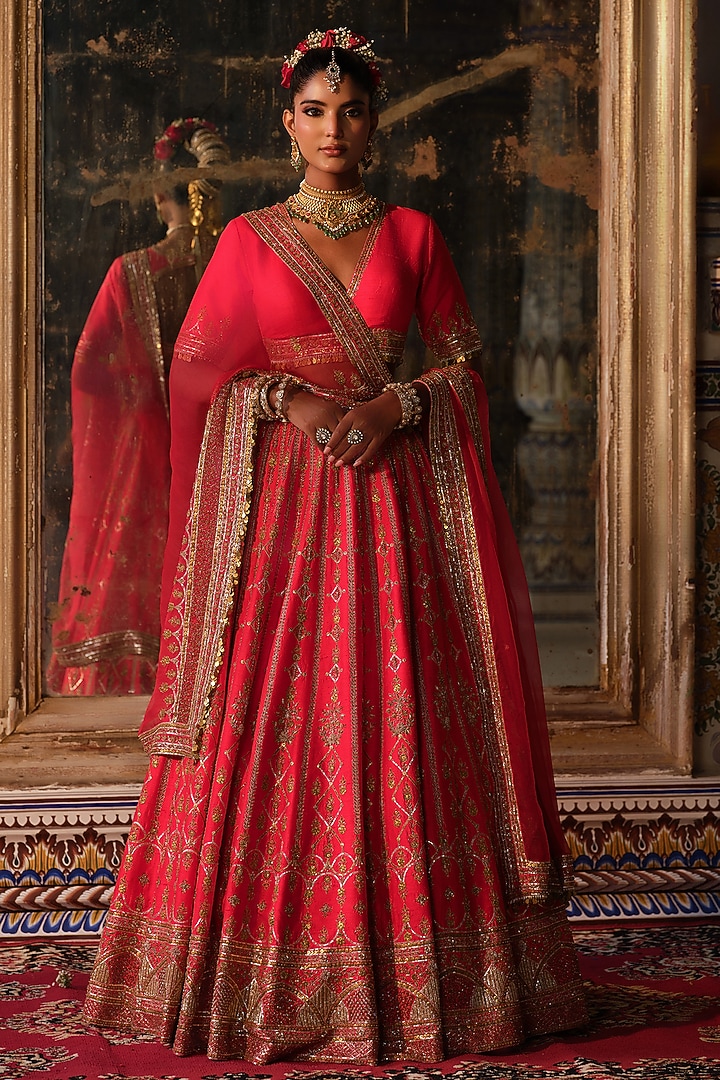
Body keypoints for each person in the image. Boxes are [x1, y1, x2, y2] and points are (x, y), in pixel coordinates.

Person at [84, 28, 587, 1063]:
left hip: (395, 513)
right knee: (270, 719)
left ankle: (426, 978)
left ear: (374, 122)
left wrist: (401, 403)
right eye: (314, 111)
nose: (333, 129)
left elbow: (466, 370)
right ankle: (249, 971)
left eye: (350, 111)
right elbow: (197, 378)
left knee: (401, 709)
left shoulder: (414, 234)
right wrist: (287, 400)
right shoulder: (249, 240)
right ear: (288, 122)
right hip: (281, 520)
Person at [46, 119, 231, 695]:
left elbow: (88, 373)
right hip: (227, 449)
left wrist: (140, 401)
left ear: (158, 197)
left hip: (145, 455)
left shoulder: (132, 272)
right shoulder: (236, 269)